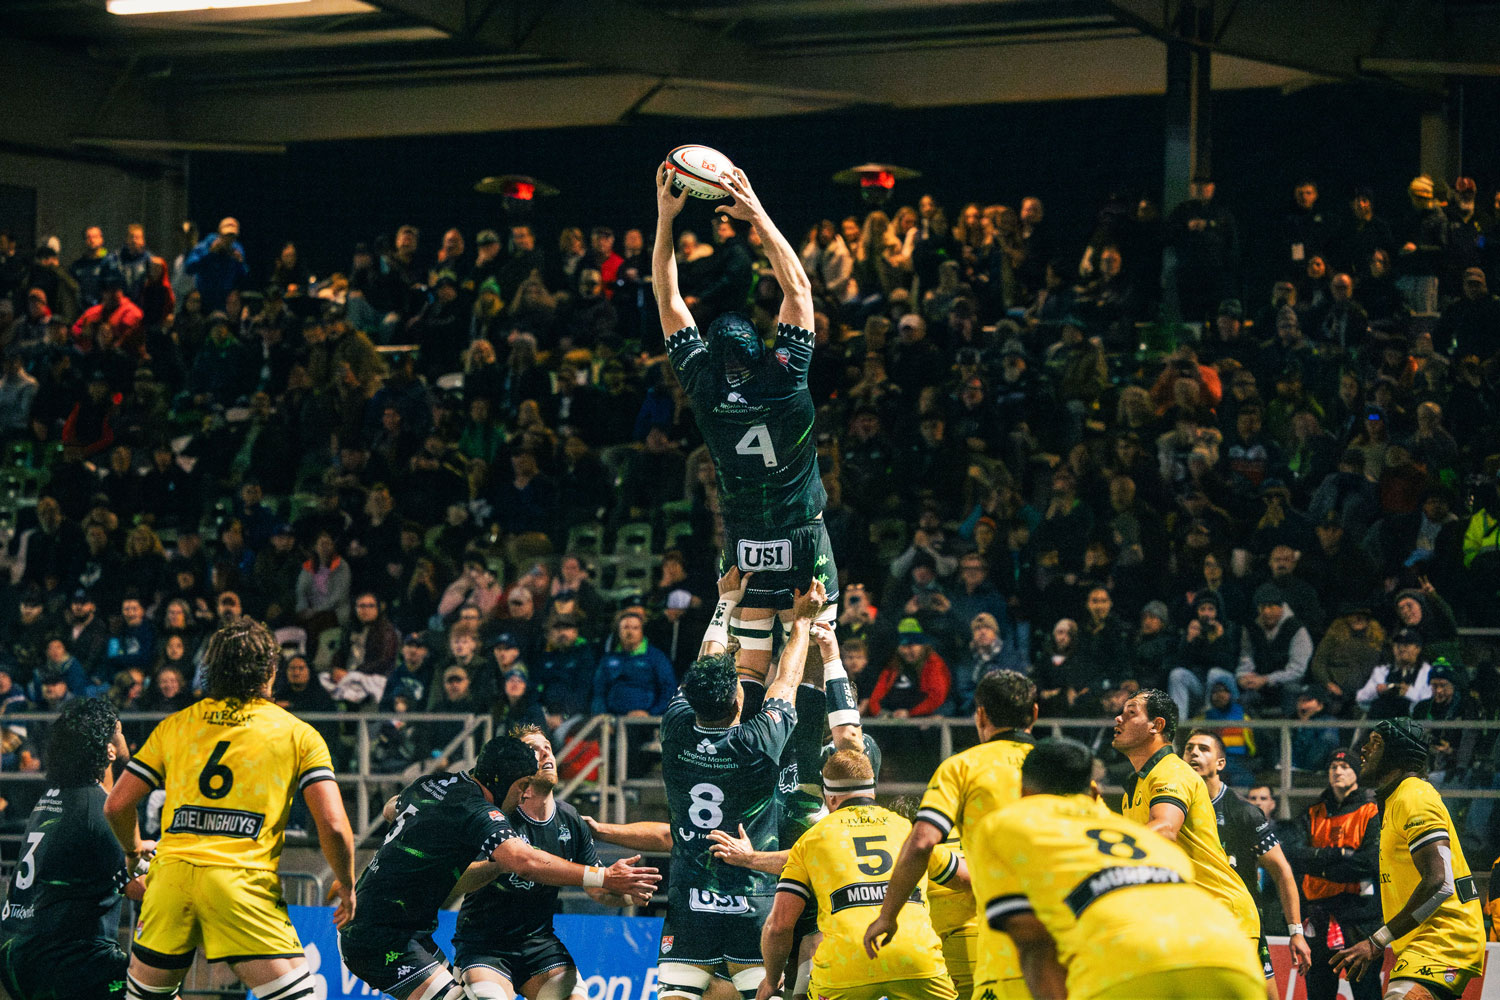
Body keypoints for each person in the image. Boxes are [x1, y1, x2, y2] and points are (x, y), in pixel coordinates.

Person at [102, 619, 358, 1000]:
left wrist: (132, 848)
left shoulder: (175, 725)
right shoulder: (299, 734)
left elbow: (117, 804)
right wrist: (348, 884)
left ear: (210, 670)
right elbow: (334, 825)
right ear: (270, 672)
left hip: (170, 884)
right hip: (241, 886)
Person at [655, 162, 836, 699]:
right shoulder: (784, 375)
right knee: (810, 655)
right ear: (761, 347)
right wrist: (753, 208)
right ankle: (807, 771)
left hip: (743, 534)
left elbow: (669, 299)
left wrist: (666, 218)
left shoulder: (704, 387)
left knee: (748, 669)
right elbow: (798, 285)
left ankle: (738, 761)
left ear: (711, 356)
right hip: (803, 529)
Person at [338, 736, 659, 1000]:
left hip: (409, 928)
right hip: (382, 935)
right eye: (521, 787)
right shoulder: (480, 814)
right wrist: (603, 874)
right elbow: (526, 862)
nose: (522, 795)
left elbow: (391, 807)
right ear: (510, 781)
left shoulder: (434, 783)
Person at [972, 738, 1265, 1000]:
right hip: (1231, 958)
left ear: (1023, 791)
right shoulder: (1143, 838)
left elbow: (1034, 942)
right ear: (1094, 790)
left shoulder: (1006, 825)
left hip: (1127, 970)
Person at [652, 575, 825, 1000]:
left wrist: (724, 603)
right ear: (739, 701)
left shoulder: (675, 728)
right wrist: (801, 624)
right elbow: (786, 680)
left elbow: (705, 662)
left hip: (689, 904)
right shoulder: (755, 744)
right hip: (749, 904)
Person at [866, 670, 1037, 1000]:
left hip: (1002, 942)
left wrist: (887, 917)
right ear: (1034, 714)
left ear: (981, 715)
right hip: (1069, 933)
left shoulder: (963, 767)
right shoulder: (1063, 766)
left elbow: (922, 841)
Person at [452, 725, 639, 1000]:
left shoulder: (570, 818)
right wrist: (503, 864)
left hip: (539, 944)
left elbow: (597, 887)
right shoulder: (495, 815)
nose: (545, 753)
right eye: (534, 750)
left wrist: (628, 892)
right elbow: (457, 880)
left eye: (547, 747)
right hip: (484, 944)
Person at [765, 750, 962, 1000]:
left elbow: (779, 926)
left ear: (830, 799)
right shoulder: (906, 829)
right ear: (872, 792)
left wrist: (771, 982)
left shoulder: (812, 839)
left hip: (845, 969)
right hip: (917, 963)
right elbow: (966, 878)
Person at [0, 698, 145, 1000]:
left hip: (18, 950)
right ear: (109, 749)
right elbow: (138, 886)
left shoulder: (52, 797)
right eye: (118, 730)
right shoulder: (102, 807)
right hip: (69, 959)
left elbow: (87, 856)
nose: (123, 735)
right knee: (156, 990)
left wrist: (140, 849)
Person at [1331, 718, 1486, 999]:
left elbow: (1440, 883)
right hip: (1421, 944)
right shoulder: (1394, 800)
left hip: (1443, 942)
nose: (1363, 749)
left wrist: (1376, 941)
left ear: (1398, 754)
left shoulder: (1414, 797)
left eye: (1375, 743)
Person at [1110, 690, 1263, 969]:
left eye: (1131, 712)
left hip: (1220, 914)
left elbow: (1166, 829)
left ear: (1156, 725)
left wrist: (1102, 852)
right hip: (1185, 919)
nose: (1118, 718)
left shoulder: (1171, 772)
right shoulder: (1137, 785)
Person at [1182, 731, 1312, 996]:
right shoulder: (1173, 809)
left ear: (1220, 763)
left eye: (1204, 749)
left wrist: (1296, 931)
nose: (1194, 753)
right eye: (1189, 748)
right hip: (1192, 925)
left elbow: (1282, 871)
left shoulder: (1242, 812)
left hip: (1239, 927)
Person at [1283, 749, 1381, 1000]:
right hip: (1319, 915)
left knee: (1366, 991)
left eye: (1345, 766)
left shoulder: (1370, 811)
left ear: (1356, 773)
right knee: (1318, 992)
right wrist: (1341, 855)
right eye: (1333, 766)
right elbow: (1294, 854)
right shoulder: (1313, 812)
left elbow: (1370, 862)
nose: (1338, 771)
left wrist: (1320, 865)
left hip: (1359, 917)